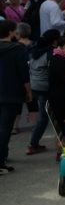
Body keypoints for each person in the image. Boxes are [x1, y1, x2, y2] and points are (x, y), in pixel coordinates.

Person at [0, 20, 30, 174]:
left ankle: (2, 156)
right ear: (12, 32)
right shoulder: (18, 49)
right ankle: (1, 159)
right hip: (10, 93)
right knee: (5, 127)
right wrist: (29, 92)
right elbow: (24, 74)